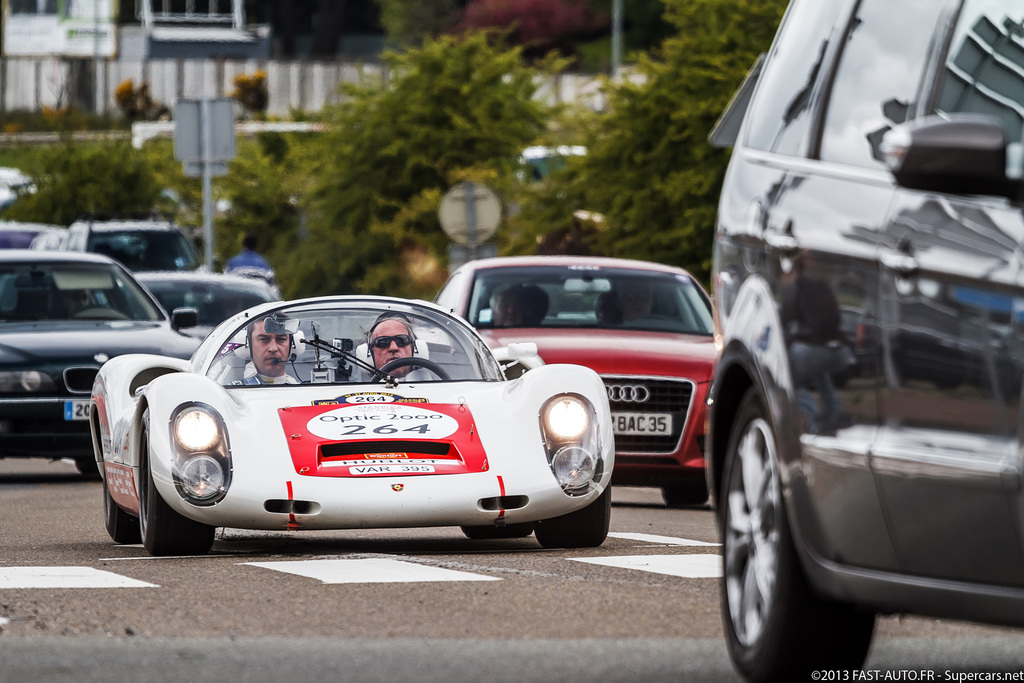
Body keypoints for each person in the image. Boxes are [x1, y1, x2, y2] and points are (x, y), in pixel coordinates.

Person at [243, 313, 300, 385]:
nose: (273, 348)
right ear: (249, 345)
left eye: (281, 339)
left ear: (292, 344)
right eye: (263, 339)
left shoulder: (302, 393)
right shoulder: (230, 392)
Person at [367, 312, 419, 379]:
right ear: (370, 353)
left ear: (414, 348)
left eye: (401, 340)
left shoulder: (434, 384)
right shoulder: (353, 387)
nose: (393, 348)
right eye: (383, 342)